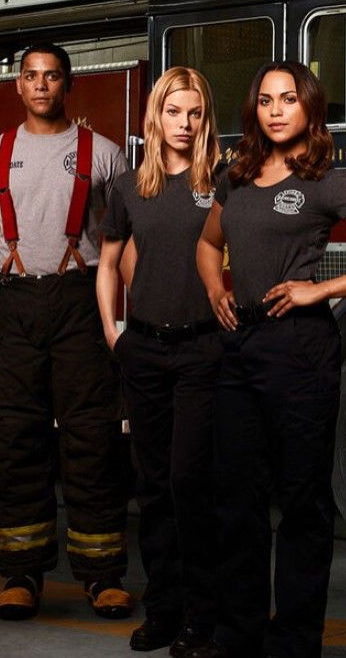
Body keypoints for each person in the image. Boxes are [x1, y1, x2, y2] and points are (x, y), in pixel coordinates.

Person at [197, 60, 346, 658]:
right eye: (265, 99)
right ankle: (237, 636)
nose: (274, 110)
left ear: (308, 108)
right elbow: (208, 242)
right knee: (236, 501)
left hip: (300, 350)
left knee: (301, 504)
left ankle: (293, 643)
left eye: (287, 99)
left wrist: (319, 290)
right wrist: (216, 288)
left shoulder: (325, 180)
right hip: (240, 346)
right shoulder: (234, 177)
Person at [0, 44, 134, 622]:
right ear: (18, 86)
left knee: (92, 438)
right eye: (31, 77)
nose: (41, 86)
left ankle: (102, 575)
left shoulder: (102, 155)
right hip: (14, 307)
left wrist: (134, 323)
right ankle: (22, 574)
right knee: (13, 439)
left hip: (79, 307)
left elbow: (122, 245)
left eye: (51, 77)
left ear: (68, 86)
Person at [97, 66, 226, 656]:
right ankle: (164, 611)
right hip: (143, 350)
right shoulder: (128, 187)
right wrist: (113, 333)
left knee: (190, 482)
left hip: (202, 350)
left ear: (205, 119)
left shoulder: (222, 182)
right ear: (156, 116)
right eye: (175, 111)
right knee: (151, 488)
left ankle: (204, 618)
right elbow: (107, 264)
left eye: (195, 112)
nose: (185, 122)